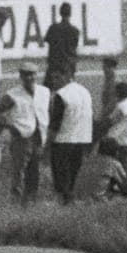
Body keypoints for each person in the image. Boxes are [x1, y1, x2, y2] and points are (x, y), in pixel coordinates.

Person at [0, 62, 50, 204]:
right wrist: (10, 125)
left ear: (36, 75)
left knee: (35, 171)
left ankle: (31, 201)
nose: (29, 78)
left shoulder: (44, 92)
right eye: (25, 75)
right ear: (21, 76)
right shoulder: (12, 94)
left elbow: (48, 110)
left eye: (31, 74)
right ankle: (16, 201)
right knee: (19, 171)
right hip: (21, 137)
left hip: (39, 136)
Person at [48, 68, 94, 204]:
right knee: (74, 171)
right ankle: (71, 198)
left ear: (67, 76)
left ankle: (63, 200)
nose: (54, 81)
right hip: (82, 137)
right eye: (53, 78)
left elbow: (56, 121)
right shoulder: (84, 91)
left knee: (61, 172)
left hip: (64, 138)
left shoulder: (61, 94)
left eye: (57, 77)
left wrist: (49, 141)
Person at [43, 2, 80, 88]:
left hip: (54, 66)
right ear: (70, 14)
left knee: (47, 91)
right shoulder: (74, 31)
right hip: (68, 67)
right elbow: (74, 48)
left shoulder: (53, 28)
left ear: (60, 13)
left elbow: (47, 41)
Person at [87, 137, 127, 201]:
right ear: (115, 151)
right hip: (98, 198)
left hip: (83, 197)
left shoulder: (91, 160)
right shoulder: (114, 163)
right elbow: (126, 187)